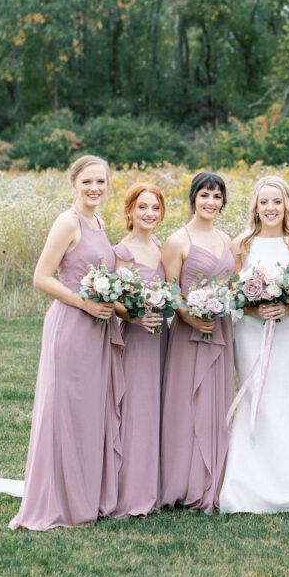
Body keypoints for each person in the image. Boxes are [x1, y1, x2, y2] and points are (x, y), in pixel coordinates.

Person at [9, 155, 124, 531]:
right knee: (65, 412)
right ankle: (57, 500)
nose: (94, 188)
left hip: (98, 330)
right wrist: (82, 302)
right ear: (73, 183)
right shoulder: (67, 221)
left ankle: (84, 495)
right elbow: (41, 277)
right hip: (71, 327)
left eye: (101, 182)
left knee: (88, 414)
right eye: (87, 181)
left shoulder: (98, 222)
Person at [220, 176, 289, 514]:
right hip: (250, 331)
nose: (271, 208)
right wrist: (254, 309)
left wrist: (288, 307)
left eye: (277, 202)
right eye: (264, 202)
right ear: (256, 206)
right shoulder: (241, 244)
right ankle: (249, 482)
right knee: (255, 398)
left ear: (286, 204)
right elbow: (232, 292)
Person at [158, 172, 234, 513]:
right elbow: (171, 289)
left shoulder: (227, 239)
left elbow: (231, 285)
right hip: (188, 333)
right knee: (186, 404)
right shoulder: (178, 240)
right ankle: (182, 483)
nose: (211, 202)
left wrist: (223, 305)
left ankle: (212, 482)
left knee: (216, 405)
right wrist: (189, 316)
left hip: (220, 330)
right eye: (205, 195)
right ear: (193, 198)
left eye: (217, 197)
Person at [112, 182, 167, 518]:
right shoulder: (122, 251)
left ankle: (155, 486)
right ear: (130, 211)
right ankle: (130, 492)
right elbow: (115, 297)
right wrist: (133, 318)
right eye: (142, 207)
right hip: (137, 337)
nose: (149, 213)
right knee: (135, 410)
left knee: (157, 408)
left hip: (161, 337)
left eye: (155, 208)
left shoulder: (162, 246)